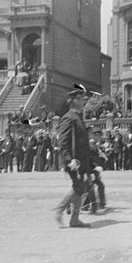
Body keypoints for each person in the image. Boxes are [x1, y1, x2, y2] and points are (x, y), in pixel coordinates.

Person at [53, 87, 93, 228]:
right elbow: (62, 142)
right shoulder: (68, 117)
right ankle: (60, 209)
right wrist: (69, 160)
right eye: (82, 99)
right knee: (79, 187)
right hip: (73, 161)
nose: (84, 102)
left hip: (81, 161)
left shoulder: (78, 116)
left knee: (81, 187)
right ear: (75, 100)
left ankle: (75, 218)